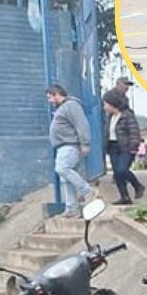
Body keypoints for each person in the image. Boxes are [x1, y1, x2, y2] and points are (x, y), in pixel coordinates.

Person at [46, 85, 95, 218]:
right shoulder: (62, 108)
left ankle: (88, 191)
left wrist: (85, 143)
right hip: (63, 146)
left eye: (50, 97)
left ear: (56, 94)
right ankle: (72, 208)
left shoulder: (71, 105)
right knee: (66, 179)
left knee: (62, 169)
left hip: (70, 145)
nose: (49, 101)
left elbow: (82, 124)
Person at [101, 91, 146, 205]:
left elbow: (134, 132)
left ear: (112, 104)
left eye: (106, 104)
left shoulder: (127, 115)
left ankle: (137, 185)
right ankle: (124, 196)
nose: (104, 107)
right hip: (113, 147)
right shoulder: (110, 117)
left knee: (122, 170)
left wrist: (133, 146)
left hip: (125, 147)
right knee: (117, 173)